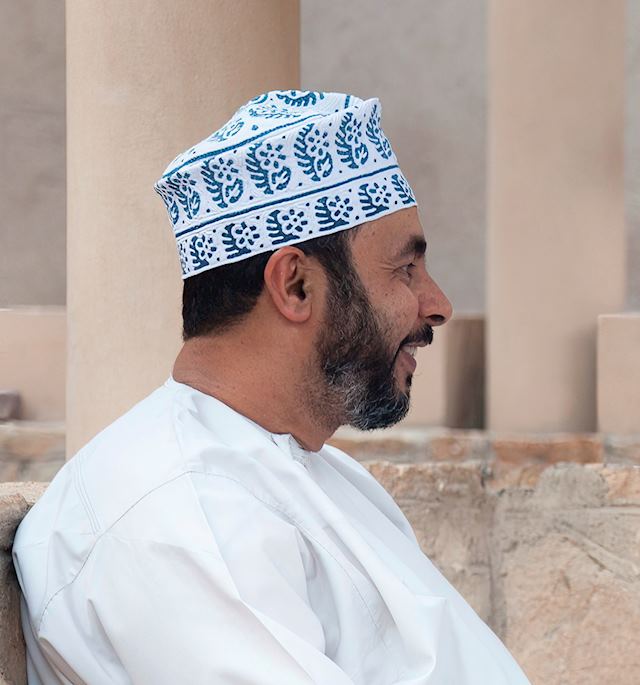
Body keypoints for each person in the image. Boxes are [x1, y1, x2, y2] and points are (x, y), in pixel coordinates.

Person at [14, 91, 529, 683]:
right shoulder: (183, 515)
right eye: (405, 269)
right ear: (295, 286)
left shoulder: (314, 474)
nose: (437, 306)